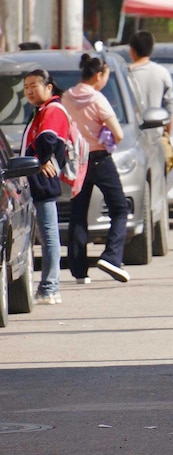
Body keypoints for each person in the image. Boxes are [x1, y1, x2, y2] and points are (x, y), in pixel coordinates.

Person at [62, 54, 130, 284]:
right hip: (100, 158)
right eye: (106, 77)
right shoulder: (98, 99)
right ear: (98, 75)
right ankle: (111, 256)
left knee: (78, 213)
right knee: (119, 208)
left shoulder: (66, 97)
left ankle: (79, 271)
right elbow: (118, 134)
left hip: (77, 160)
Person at [21, 69, 67, 303]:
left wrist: (42, 160)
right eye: (26, 86)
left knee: (48, 234)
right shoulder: (41, 110)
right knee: (43, 234)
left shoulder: (52, 110)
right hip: (35, 179)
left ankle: (50, 287)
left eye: (34, 86)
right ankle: (48, 286)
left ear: (49, 88)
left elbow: (47, 138)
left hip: (42, 181)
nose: (29, 90)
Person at [127, 30, 173, 172]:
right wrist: (167, 134)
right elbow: (170, 106)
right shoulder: (162, 73)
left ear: (132, 50)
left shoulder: (126, 74)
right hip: (156, 137)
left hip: (131, 138)